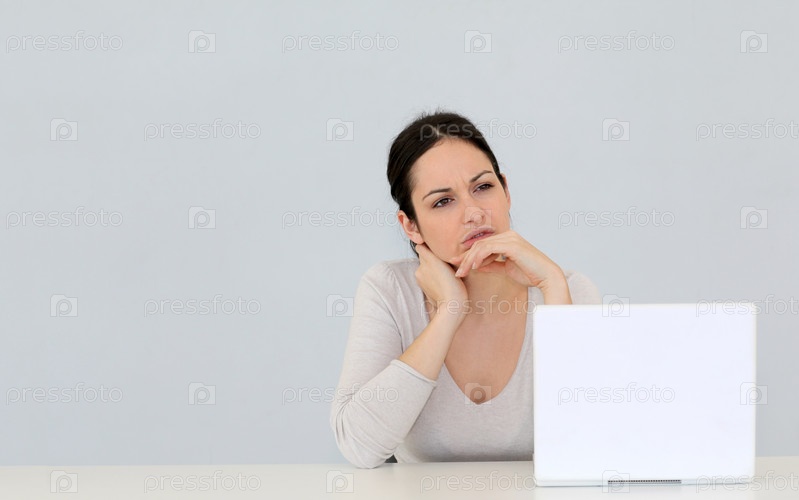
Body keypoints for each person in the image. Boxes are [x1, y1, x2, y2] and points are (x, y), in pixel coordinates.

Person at [329, 111, 602, 468]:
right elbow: (359, 447)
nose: (473, 213)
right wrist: (450, 312)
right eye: (443, 201)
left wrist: (552, 286)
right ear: (411, 226)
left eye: (483, 187)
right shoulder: (390, 289)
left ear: (506, 191)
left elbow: (592, 442)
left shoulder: (568, 291)